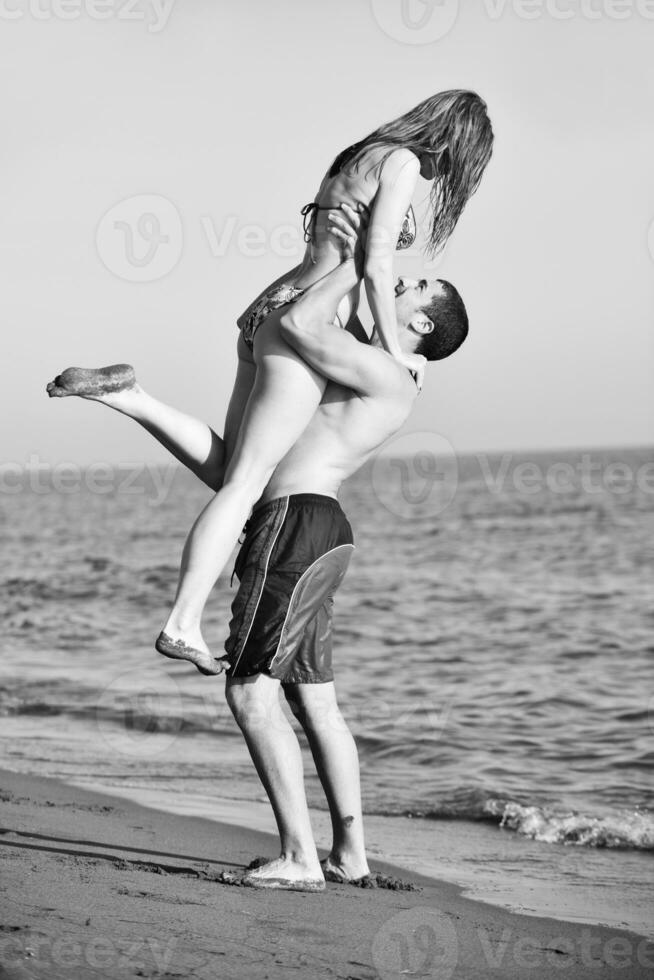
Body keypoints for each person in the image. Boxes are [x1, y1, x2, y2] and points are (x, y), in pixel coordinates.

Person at [46, 206, 470, 890]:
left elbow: (298, 323)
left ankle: (302, 859)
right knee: (315, 703)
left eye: (414, 290)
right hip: (314, 528)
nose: (399, 285)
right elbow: (295, 318)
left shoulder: (391, 376)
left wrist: (362, 253)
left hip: (294, 528)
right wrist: (348, 256)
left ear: (424, 325)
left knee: (249, 691)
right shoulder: (378, 362)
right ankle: (351, 855)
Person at [148, 90, 492, 667]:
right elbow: (376, 266)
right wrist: (393, 350)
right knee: (246, 483)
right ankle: (182, 621)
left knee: (236, 467)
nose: (445, 176)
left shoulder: (361, 154)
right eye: (458, 163)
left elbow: (342, 254)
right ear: (452, 141)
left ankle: (129, 397)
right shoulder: (403, 163)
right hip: (303, 316)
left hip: (275, 300)